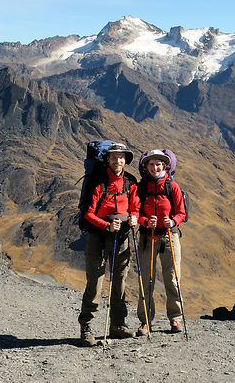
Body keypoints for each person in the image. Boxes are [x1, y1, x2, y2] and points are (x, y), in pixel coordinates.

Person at [78, 142, 140, 346]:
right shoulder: (97, 182)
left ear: (126, 160)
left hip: (121, 236)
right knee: (95, 280)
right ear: (107, 159)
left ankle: (118, 325)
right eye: (114, 157)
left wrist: (133, 218)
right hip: (98, 234)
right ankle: (87, 327)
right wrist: (106, 225)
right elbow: (87, 213)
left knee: (120, 280)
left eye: (121, 157)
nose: (118, 160)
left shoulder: (130, 183)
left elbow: (136, 207)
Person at [135, 148, 187, 335]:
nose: (155, 167)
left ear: (165, 165)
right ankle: (145, 321)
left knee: (172, 278)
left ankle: (176, 318)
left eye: (158, 164)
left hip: (169, 236)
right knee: (146, 280)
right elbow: (135, 212)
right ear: (146, 166)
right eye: (151, 164)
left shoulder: (172, 186)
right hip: (147, 236)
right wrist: (145, 221)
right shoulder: (141, 187)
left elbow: (182, 212)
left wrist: (173, 221)